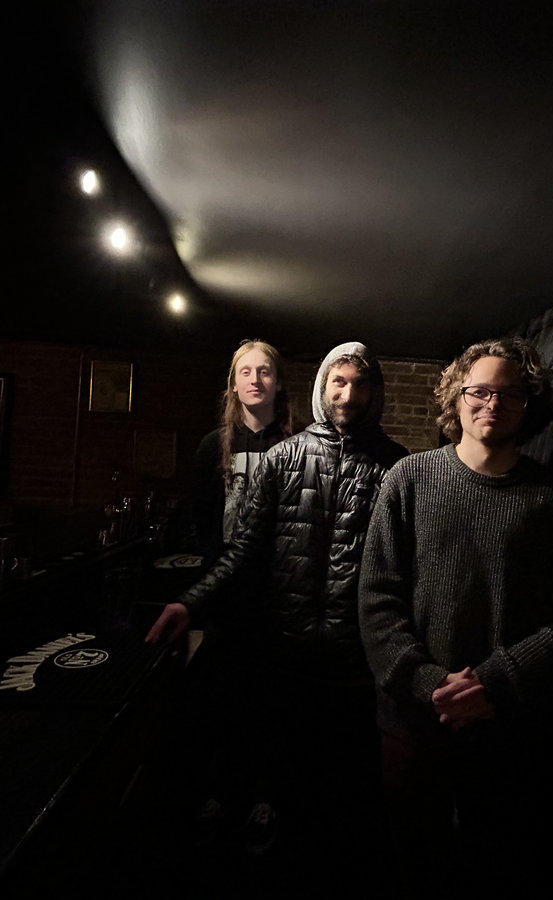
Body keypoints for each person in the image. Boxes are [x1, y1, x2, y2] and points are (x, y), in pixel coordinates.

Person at [358, 336, 553, 899]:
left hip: (509, 725)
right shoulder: (408, 479)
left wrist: (494, 682)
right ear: (456, 396)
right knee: (412, 863)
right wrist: (428, 684)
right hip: (413, 721)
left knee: (497, 867)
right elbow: (376, 599)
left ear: (529, 403)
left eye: (509, 393)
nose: (492, 403)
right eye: (479, 391)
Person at [148, 340, 408, 870]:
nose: (349, 394)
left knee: (340, 791)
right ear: (322, 387)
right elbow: (243, 551)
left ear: (375, 392)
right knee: (284, 768)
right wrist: (190, 604)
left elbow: (405, 569)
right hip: (284, 653)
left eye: (360, 384)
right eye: (339, 381)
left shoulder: (398, 468)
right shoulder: (283, 458)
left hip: (354, 664)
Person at [178, 339, 293, 845]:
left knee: (271, 699)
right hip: (227, 595)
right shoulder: (213, 446)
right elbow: (202, 522)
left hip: (278, 594)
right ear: (233, 383)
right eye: (245, 371)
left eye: (264, 371)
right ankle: (220, 790)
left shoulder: (295, 444)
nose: (254, 380)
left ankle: (267, 795)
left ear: (278, 382)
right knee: (220, 696)